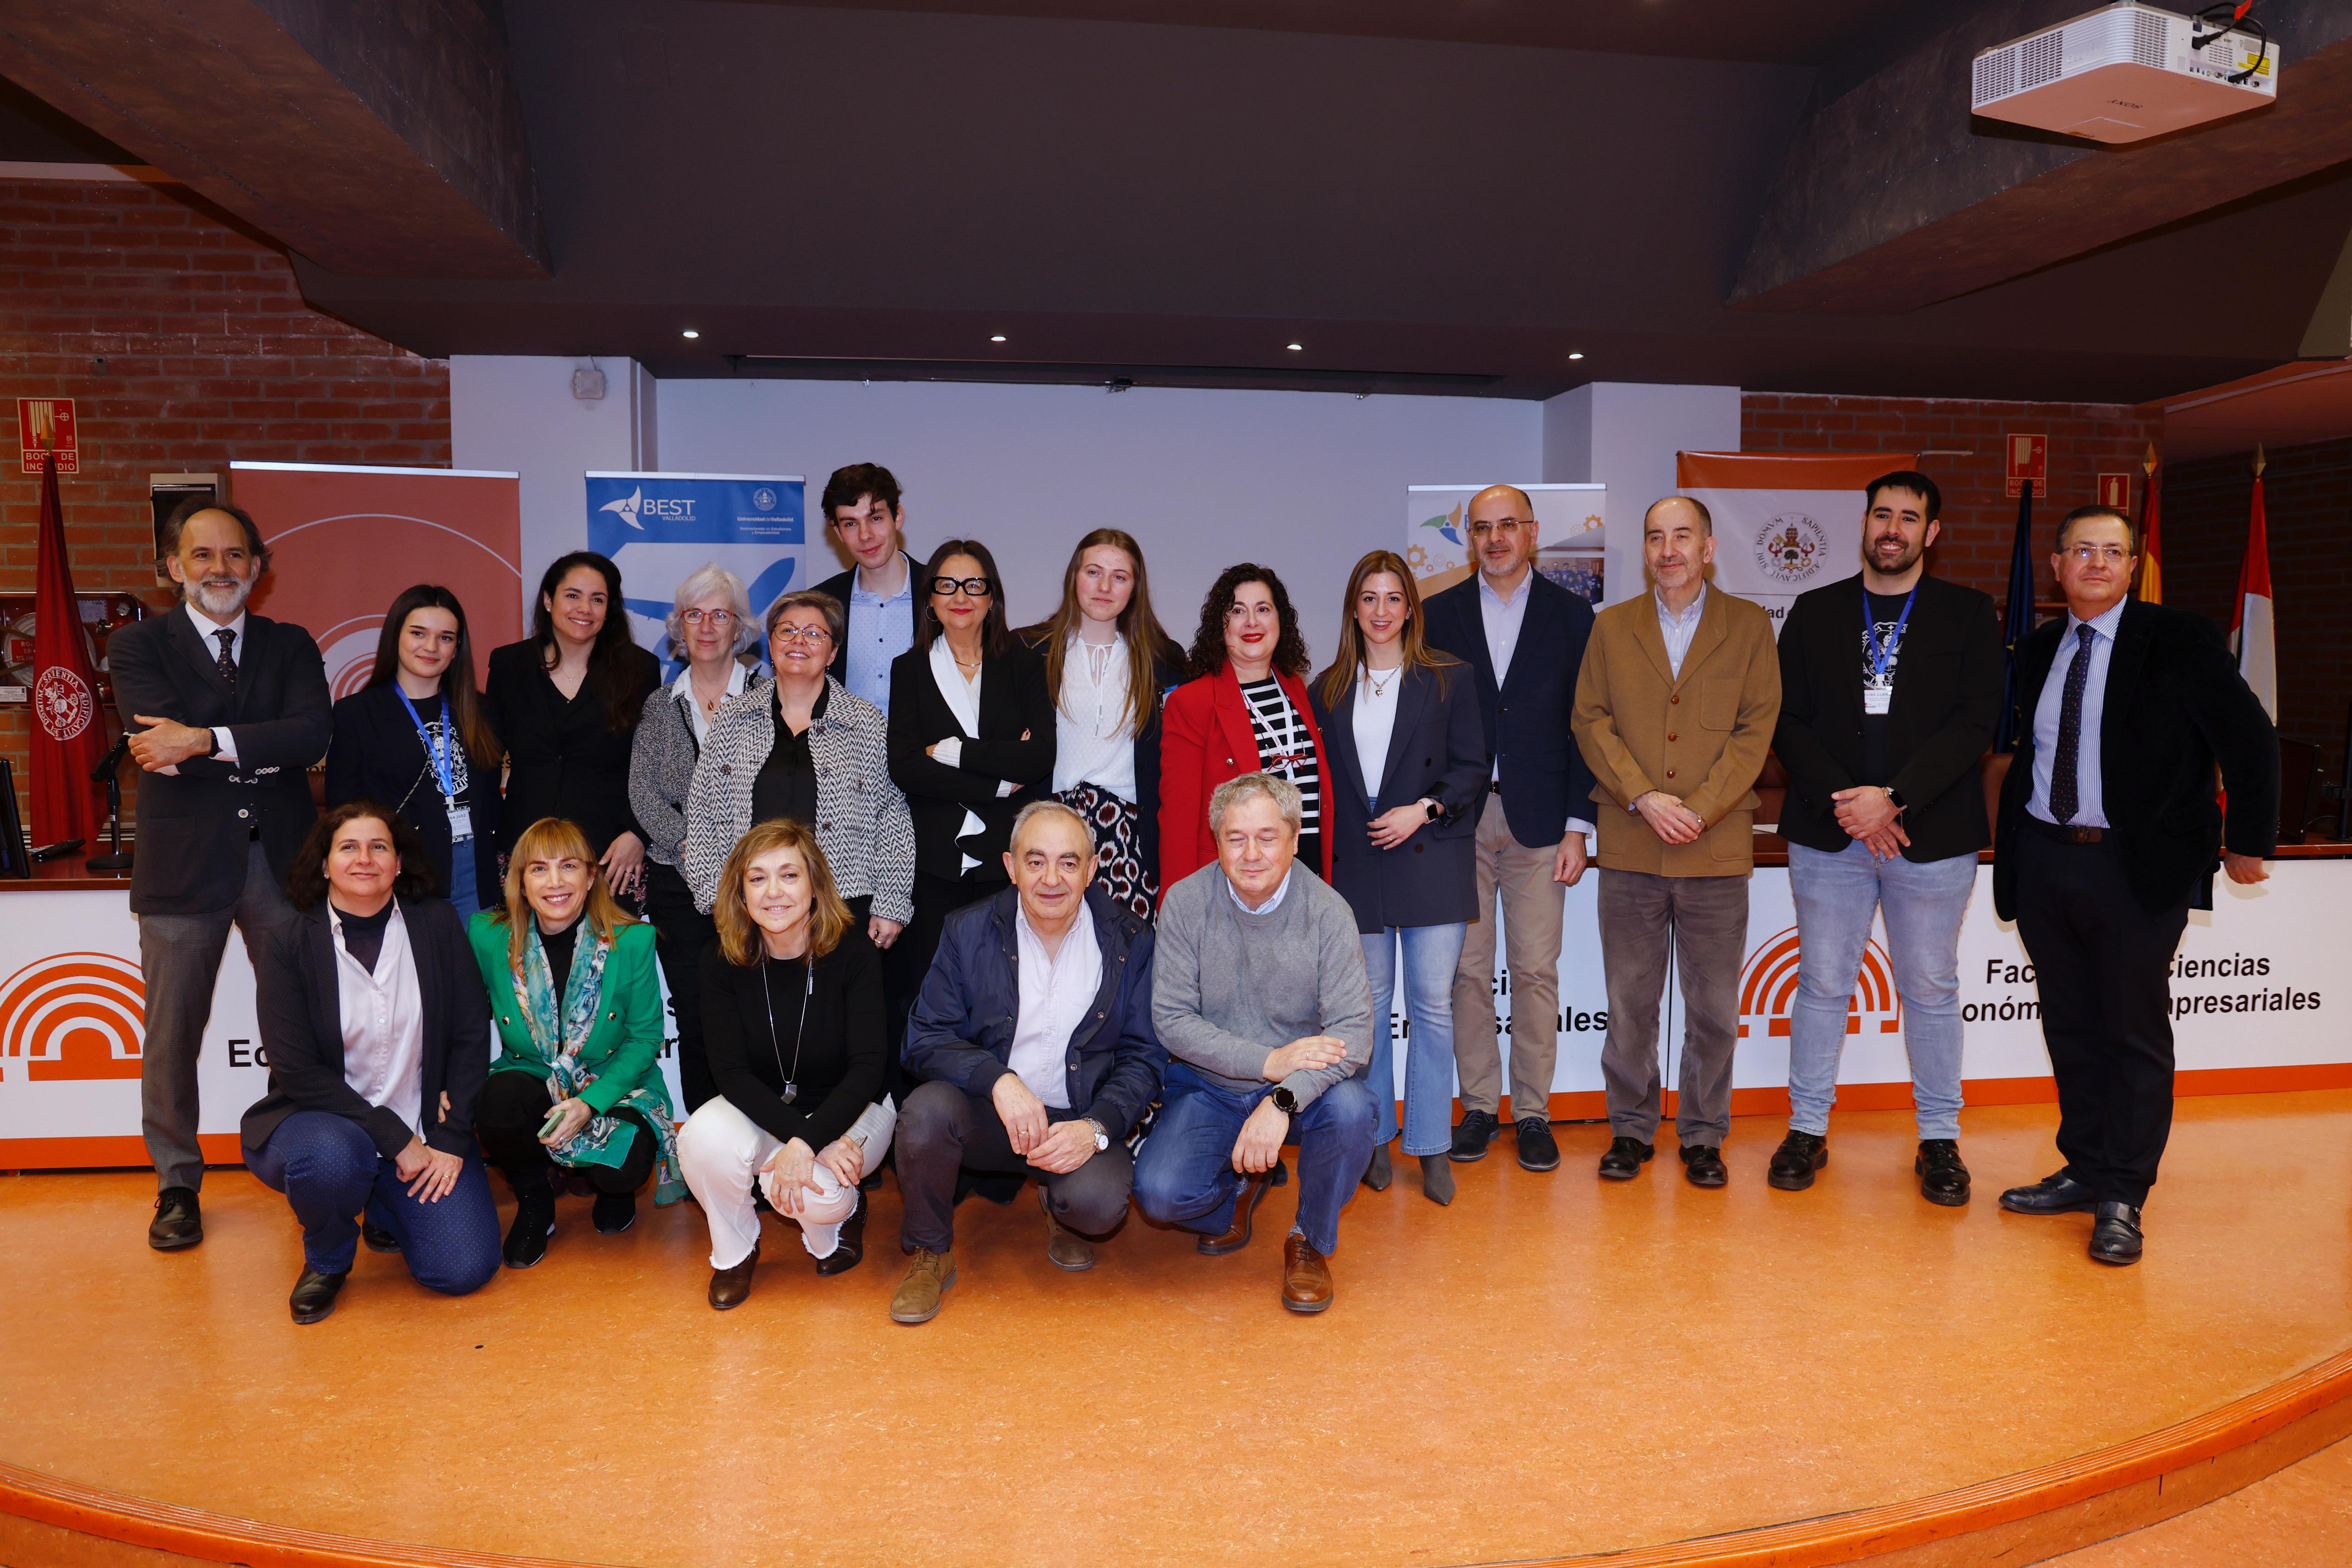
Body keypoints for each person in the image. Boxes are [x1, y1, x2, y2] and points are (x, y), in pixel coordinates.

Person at [1993, 503, 2277, 1266]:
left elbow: (2250, 739)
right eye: (2082, 550)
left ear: (2132, 567)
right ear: (2058, 565)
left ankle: (2123, 1192)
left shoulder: (2178, 638)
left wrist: (2250, 840)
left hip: (2136, 867)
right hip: (2046, 859)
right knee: (2071, 1026)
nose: (2097, 563)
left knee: (2131, 1030)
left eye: (2113, 552)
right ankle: (2085, 1166)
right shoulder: (2041, 644)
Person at [1770, 472, 2004, 1205]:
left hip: (1930, 834)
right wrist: (1853, 806)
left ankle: (1939, 1138)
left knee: (1930, 988)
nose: (1892, 528)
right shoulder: (1815, 611)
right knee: (1822, 983)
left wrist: (1894, 800)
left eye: (1909, 517)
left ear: (1931, 532)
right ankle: (1807, 1128)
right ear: (1865, 523)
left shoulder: (1968, 613)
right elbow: (1786, 718)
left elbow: (1976, 723)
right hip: (1831, 830)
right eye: (1881, 514)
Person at [111, 498, 330, 1252]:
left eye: (235, 554)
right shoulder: (138, 645)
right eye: (202, 555)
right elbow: (153, 745)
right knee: (172, 1032)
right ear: (174, 567)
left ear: (258, 567)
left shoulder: (290, 643)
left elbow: (310, 736)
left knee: (302, 1020)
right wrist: (252, 743)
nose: (220, 568)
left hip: (283, 860)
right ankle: (177, 1181)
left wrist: (202, 738)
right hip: (183, 865)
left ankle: (307, 1159)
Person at [1571, 496, 1780, 1188]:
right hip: (1631, 841)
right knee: (1630, 1002)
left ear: (1708, 548)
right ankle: (1630, 1129)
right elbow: (1590, 719)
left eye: (1682, 536)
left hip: (1714, 849)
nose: (1668, 550)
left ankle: (1703, 1134)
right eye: (1656, 537)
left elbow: (1756, 729)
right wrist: (1644, 796)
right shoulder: (1611, 627)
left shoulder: (1748, 627)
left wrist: (1699, 809)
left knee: (1714, 1007)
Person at [889, 801, 1165, 1325]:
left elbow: (1144, 1056)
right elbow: (924, 1036)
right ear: (1011, 867)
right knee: (924, 1114)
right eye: (1035, 861)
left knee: (1098, 1204)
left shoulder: (1132, 941)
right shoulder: (967, 930)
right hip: (990, 1115)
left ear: (1091, 869)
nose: (1051, 879)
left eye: (1068, 862)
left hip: (1075, 1119)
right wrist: (998, 1081)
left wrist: (1095, 1127)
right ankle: (930, 1252)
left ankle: (1062, 1210)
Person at [243, 802, 500, 1323]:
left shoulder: (436, 923)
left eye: (379, 847)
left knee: (462, 1269)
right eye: (349, 848)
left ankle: (384, 1203)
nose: (365, 859)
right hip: (320, 1125)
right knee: (334, 1158)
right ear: (324, 864)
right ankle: (329, 1259)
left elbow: (472, 1033)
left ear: (398, 863)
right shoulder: (290, 940)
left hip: (423, 1131)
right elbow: (296, 1068)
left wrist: (451, 1139)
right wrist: (391, 1135)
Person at [1136, 773, 1376, 1314]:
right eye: (1235, 838)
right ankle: (1238, 1191)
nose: (1250, 855)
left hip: (1301, 1090)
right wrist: (1267, 1061)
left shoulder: (1328, 912)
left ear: (1293, 840)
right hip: (1209, 1085)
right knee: (1159, 1195)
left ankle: (1309, 1240)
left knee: (1354, 1109)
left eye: (1267, 838)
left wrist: (1281, 1098)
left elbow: (1354, 1035)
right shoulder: (1184, 903)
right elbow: (1171, 1020)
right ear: (1217, 841)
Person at [1420, 484, 1598, 1173]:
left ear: (1532, 532)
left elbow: (1586, 725)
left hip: (1542, 819)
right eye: (1482, 528)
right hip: (1458, 820)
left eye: (1507, 525)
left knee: (1534, 970)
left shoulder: (1572, 615)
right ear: (1469, 537)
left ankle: (1532, 1112)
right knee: (1466, 972)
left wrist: (1580, 825)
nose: (1494, 538)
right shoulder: (1436, 614)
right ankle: (1477, 1107)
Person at [1309, 551, 1485, 1205]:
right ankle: (1375, 1139)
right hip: (1358, 867)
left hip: (1432, 855)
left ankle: (1432, 1145)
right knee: (1370, 1009)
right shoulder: (1326, 688)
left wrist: (1424, 808)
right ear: (1353, 610)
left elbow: (1472, 767)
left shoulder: (1448, 678)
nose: (1380, 611)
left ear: (1410, 608)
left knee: (1433, 1008)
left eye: (1392, 598)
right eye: (1369, 599)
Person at [675, 819, 896, 1309]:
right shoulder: (721, 959)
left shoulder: (853, 950)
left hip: (855, 1109)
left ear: (815, 884)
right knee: (699, 1139)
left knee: (810, 1193)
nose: (773, 892)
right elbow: (730, 1073)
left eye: (789, 875)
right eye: (757, 878)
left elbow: (867, 1067)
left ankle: (845, 1215)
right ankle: (734, 1252)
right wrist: (804, 1139)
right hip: (767, 1110)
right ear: (741, 892)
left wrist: (810, 1140)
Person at [467, 816, 682, 1269]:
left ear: (590, 878)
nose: (555, 882)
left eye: (568, 866)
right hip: (532, 1071)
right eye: (539, 869)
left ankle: (613, 1193)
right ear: (520, 882)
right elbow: (463, 1022)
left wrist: (590, 1103)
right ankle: (535, 1201)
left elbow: (645, 1037)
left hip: (610, 1080)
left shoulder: (633, 940)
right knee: (497, 1105)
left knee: (624, 1169)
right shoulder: (489, 937)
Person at [681, 590, 915, 949]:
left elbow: (892, 818)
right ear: (772, 645)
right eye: (788, 631)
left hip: (843, 907)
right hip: (749, 910)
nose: (799, 641)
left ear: (833, 652)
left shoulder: (866, 723)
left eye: (814, 634)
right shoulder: (732, 719)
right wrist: (716, 899)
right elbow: (702, 813)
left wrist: (891, 904)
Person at [887, 539, 1056, 1008]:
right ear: (930, 598)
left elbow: (1039, 758)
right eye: (947, 585)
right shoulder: (910, 669)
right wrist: (999, 782)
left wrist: (951, 751)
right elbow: (905, 767)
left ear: (991, 596)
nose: (960, 596)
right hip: (934, 861)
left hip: (1007, 860)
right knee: (936, 995)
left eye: (973, 585)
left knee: (1006, 995)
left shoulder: (1024, 664)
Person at [627, 564, 758, 1110]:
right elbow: (642, 791)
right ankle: (709, 1134)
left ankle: (767, 1131)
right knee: (698, 1014)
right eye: (694, 615)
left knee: (757, 1014)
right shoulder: (660, 705)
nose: (706, 627)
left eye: (719, 615)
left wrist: (742, 857)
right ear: (678, 627)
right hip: (678, 887)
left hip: (759, 887)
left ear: (739, 627)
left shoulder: (770, 698)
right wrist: (693, 848)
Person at [1018, 529, 1187, 918]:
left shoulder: (1165, 660)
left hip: (1130, 834)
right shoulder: (1028, 650)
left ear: (1135, 588)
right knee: (1047, 948)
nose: (1105, 587)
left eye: (1119, 577)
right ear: (1074, 577)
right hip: (1049, 829)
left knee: (1127, 952)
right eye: (1093, 572)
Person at [484, 552, 661, 905]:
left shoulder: (640, 669)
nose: (585, 608)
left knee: (611, 944)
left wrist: (638, 833)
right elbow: (486, 758)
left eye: (598, 599)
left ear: (609, 609)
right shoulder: (509, 665)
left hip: (611, 855)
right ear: (549, 600)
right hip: (526, 850)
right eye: (573, 595)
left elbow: (655, 765)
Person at [326, 585, 504, 919]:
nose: (431, 647)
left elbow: (491, 797)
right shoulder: (356, 714)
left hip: (474, 870)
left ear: (457, 648)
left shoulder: (482, 711)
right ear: (396, 636)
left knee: (473, 956)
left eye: (445, 638)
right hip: (401, 873)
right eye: (418, 633)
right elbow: (343, 811)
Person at [1158, 564, 1332, 896]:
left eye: (1263, 609)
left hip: (1307, 873)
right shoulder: (1191, 703)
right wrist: (1178, 907)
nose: (1252, 622)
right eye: (1238, 611)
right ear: (1220, 625)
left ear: (1280, 620)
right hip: (1234, 882)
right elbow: (1178, 823)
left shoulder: (1296, 688)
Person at [811, 463, 919, 715]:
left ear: (898, 516)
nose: (865, 535)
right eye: (851, 524)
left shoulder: (942, 595)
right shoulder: (819, 605)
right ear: (838, 532)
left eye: (875, 518)